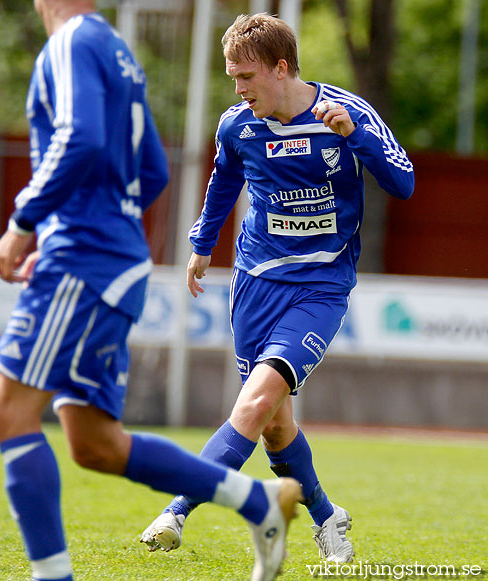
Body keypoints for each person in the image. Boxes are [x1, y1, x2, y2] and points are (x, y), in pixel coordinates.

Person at [0, 2, 302, 580]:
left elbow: (79, 137)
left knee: (9, 413)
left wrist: (27, 223)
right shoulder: (116, 50)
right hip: (113, 254)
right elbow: (151, 168)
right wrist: (108, 219)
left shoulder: (69, 42)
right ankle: (260, 504)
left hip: (84, 254)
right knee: (95, 444)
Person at [140, 13, 414, 564]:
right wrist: (200, 244)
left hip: (319, 285)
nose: (238, 90)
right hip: (255, 283)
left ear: (281, 68)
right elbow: (224, 181)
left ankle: (176, 511)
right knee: (273, 424)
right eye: (231, 78)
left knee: (259, 398)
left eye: (245, 77)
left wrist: (355, 138)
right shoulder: (238, 125)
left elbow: (402, 183)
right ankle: (326, 517)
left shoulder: (347, 112)